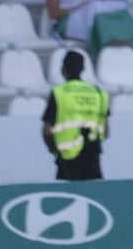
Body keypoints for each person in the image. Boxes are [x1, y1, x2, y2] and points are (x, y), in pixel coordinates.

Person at [42, 50, 109, 181]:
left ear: (63, 70)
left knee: (67, 192)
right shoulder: (98, 93)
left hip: (67, 159)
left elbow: (47, 131)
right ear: (83, 69)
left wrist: (53, 149)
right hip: (93, 158)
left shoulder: (59, 93)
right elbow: (106, 132)